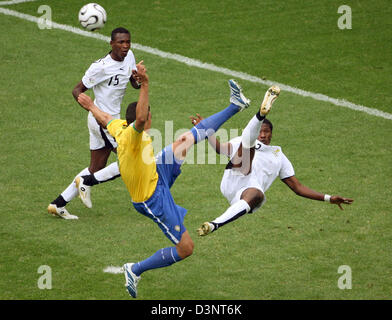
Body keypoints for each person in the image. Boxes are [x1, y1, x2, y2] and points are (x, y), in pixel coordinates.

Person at [76, 61, 251, 298]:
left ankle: (235, 106)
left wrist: (88, 104)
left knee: (185, 140)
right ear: (146, 118)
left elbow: (105, 117)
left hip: (156, 172)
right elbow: (139, 119)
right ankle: (135, 269)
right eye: (149, 114)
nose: (149, 117)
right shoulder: (134, 135)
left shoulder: (120, 127)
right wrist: (145, 85)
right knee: (186, 248)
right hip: (151, 197)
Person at [196, 86, 354, 236]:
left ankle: (214, 224)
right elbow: (220, 149)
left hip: (245, 193)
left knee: (258, 194)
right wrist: (207, 130)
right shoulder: (244, 141)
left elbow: (297, 187)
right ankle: (260, 115)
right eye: (261, 132)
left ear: (272, 134)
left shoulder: (278, 156)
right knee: (247, 147)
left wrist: (328, 198)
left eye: (266, 132)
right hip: (235, 176)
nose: (263, 135)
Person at [47, 27, 141, 219]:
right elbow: (77, 90)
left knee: (96, 166)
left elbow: (133, 82)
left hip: (111, 120)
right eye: (121, 42)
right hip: (103, 121)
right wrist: (92, 109)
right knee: (131, 157)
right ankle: (86, 181)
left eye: (127, 42)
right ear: (111, 44)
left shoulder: (129, 56)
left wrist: (137, 80)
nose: (125, 46)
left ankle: (58, 204)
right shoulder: (100, 67)